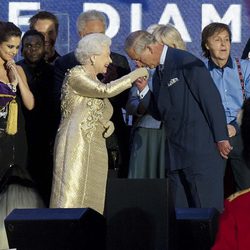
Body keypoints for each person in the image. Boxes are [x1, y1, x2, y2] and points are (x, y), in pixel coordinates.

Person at [125, 30, 232, 212]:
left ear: (150, 48)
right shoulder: (159, 71)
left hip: (200, 156)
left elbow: (210, 101)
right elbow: (160, 113)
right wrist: (144, 91)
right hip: (175, 157)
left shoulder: (186, 62)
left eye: (137, 58)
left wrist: (221, 137)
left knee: (206, 215)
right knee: (181, 218)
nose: (137, 63)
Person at [49, 33, 148, 214]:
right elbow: (106, 90)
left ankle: (89, 238)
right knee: (72, 193)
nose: (110, 60)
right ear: (93, 57)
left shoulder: (93, 79)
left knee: (93, 198)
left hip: (95, 145)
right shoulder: (76, 74)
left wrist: (105, 122)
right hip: (75, 143)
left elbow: (99, 106)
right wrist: (133, 76)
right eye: (107, 55)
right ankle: (65, 238)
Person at [54, 10, 131, 178]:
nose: (98, 40)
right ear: (81, 34)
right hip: (79, 139)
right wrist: (101, 86)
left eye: (101, 34)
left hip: (112, 138)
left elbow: (126, 101)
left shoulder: (117, 61)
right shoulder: (66, 63)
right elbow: (60, 101)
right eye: (92, 35)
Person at [0, 21, 44, 250]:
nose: (13, 52)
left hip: (17, 137)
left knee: (17, 184)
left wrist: (16, 81)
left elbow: (30, 103)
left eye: (16, 47)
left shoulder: (17, 69)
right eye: (9, 46)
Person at [126, 24, 185, 178]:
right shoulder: (144, 69)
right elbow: (131, 104)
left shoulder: (187, 69)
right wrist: (143, 105)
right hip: (148, 132)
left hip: (176, 133)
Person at [201, 22, 250, 192]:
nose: (224, 45)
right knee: (211, 190)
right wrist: (218, 129)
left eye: (227, 40)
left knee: (246, 190)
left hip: (241, 134)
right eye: (218, 40)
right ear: (207, 45)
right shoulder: (199, 71)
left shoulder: (245, 68)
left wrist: (235, 127)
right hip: (211, 136)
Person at [17, 29, 55, 206]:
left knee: (45, 181)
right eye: (28, 46)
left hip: (47, 136)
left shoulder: (53, 72)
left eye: (37, 45)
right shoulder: (16, 70)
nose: (32, 49)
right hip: (21, 132)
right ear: (22, 49)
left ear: (45, 47)